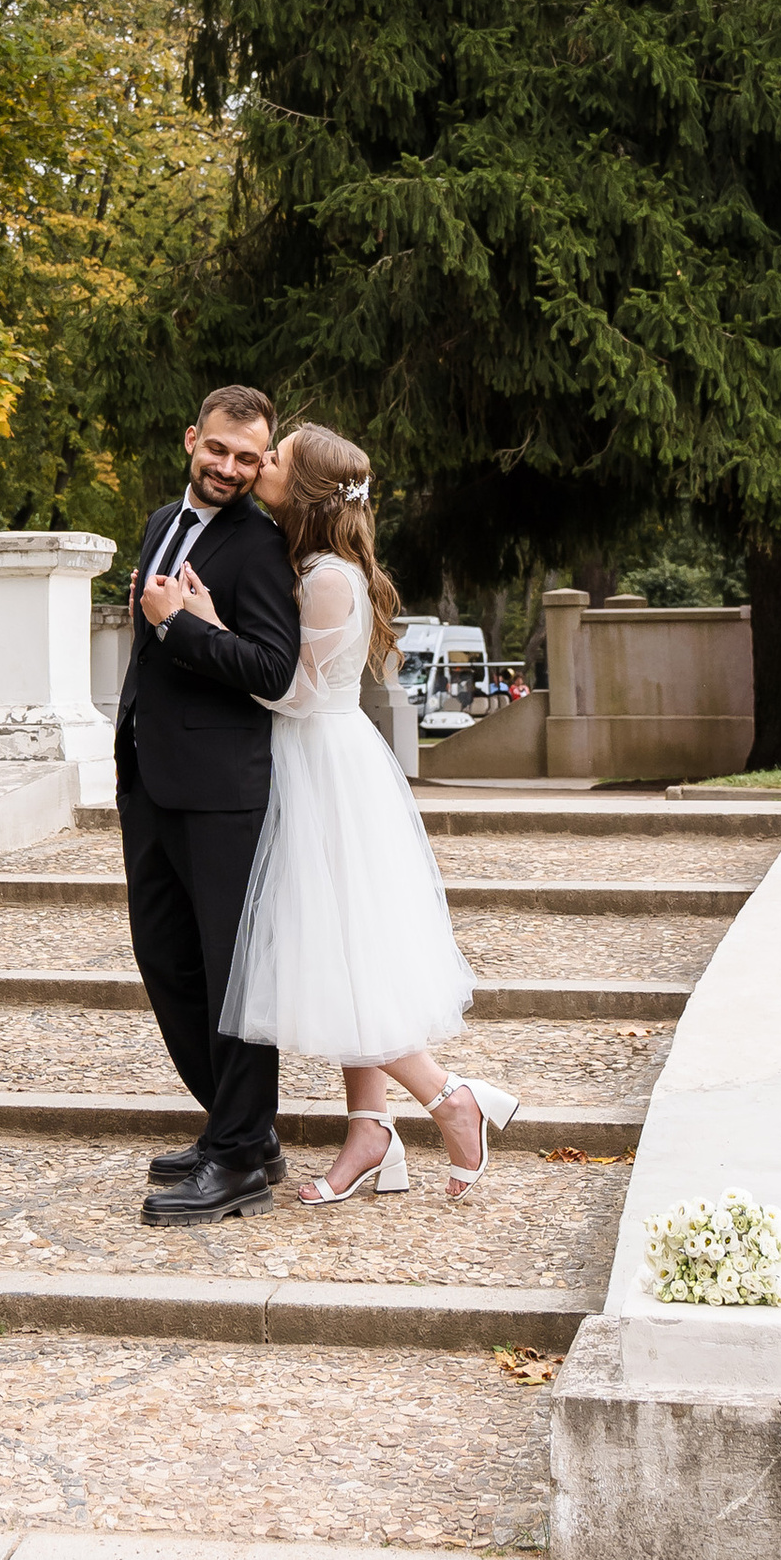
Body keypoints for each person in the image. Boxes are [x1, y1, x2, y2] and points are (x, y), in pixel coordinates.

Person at [168, 420, 519, 1203]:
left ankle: (449, 1098)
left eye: (276, 458)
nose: (260, 463)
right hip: (310, 757)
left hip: (321, 764)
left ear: (304, 488)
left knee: (332, 949)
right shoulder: (309, 561)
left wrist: (209, 626)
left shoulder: (328, 576)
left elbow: (295, 692)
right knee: (342, 947)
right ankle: (370, 1131)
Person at [117, 383, 304, 1223]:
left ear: (262, 463)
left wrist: (180, 625)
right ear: (192, 439)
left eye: (248, 458)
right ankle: (244, 1131)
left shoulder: (261, 547)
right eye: (219, 449)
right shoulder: (162, 521)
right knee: (166, 961)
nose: (230, 468)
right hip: (150, 781)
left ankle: (237, 1159)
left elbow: (271, 670)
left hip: (224, 792)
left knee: (233, 979)